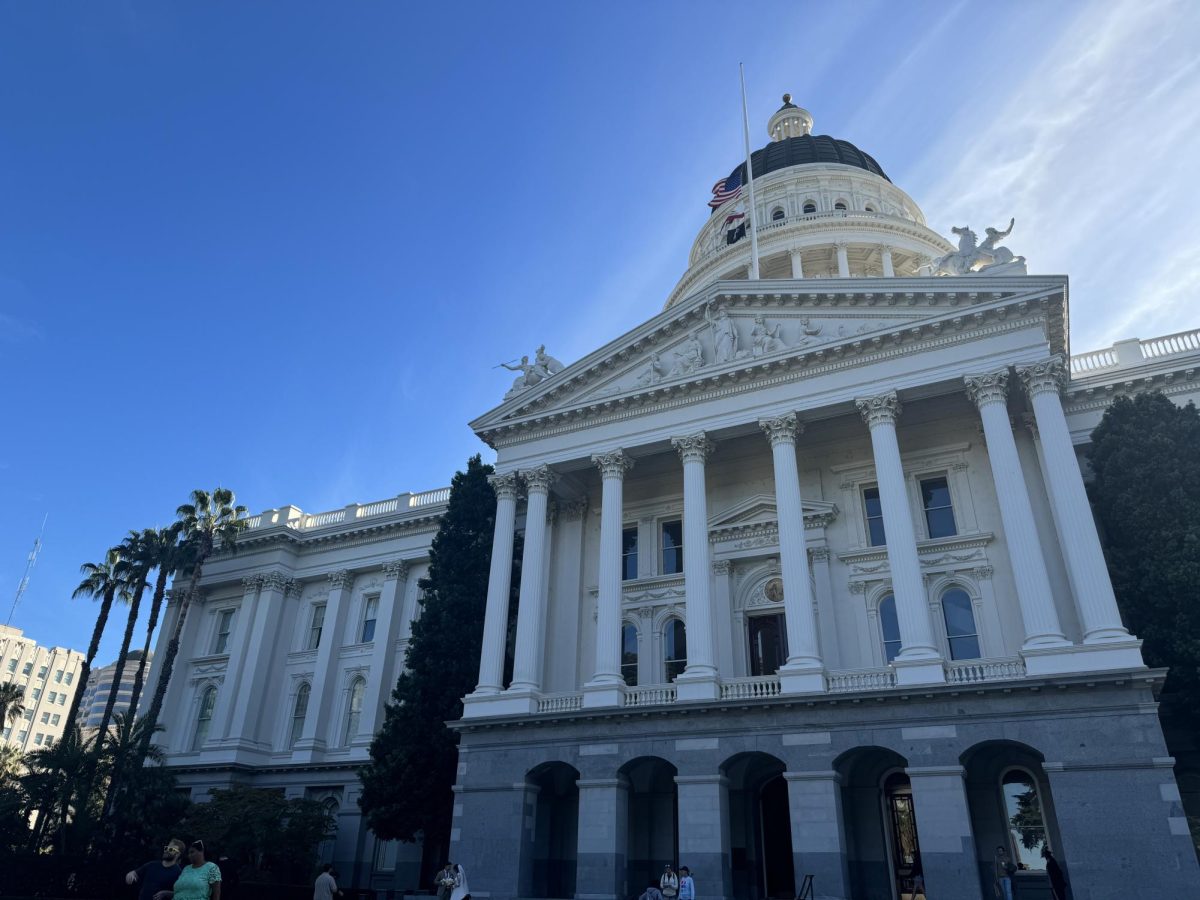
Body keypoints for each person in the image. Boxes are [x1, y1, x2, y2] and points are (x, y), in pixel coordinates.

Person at [154, 840, 222, 900]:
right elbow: (181, 892)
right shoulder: (186, 869)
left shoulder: (211, 867)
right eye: (188, 853)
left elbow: (216, 894)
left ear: (201, 852)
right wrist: (165, 893)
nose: (189, 855)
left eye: (192, 852)